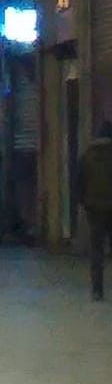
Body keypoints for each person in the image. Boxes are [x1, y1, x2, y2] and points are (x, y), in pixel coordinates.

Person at [78, 119, 112, 301]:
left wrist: (83, 201)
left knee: (97, 250)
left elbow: (79, 181)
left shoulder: (87, 155)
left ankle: (97, 290)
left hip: (95, 209)